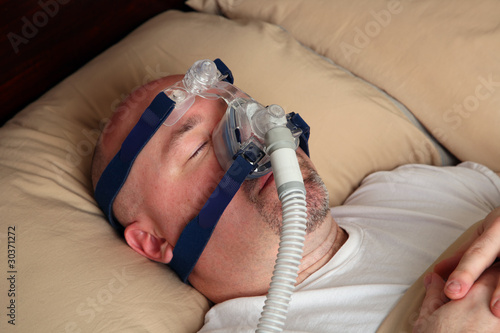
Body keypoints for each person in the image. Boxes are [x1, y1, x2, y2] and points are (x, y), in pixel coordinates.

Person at [91, 68, 500, 332]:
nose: (256, 141)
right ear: (153, 241)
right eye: (198, 150)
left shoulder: (411, 188)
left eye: (247, 115)